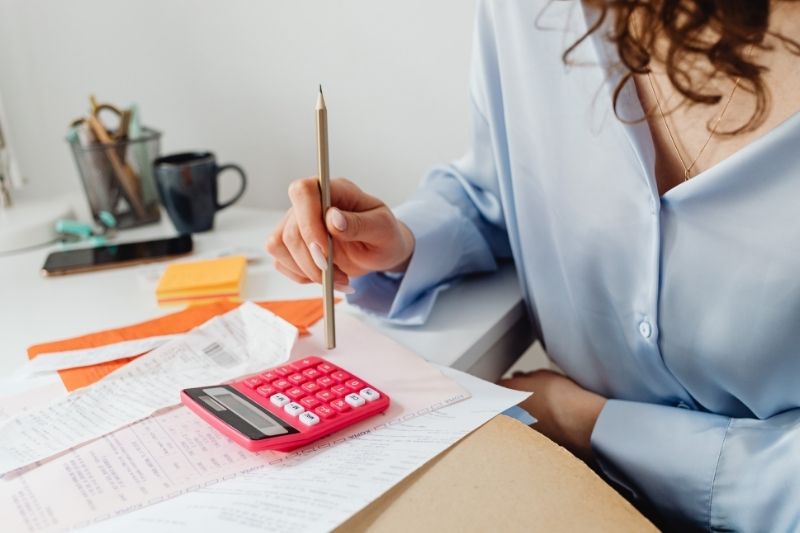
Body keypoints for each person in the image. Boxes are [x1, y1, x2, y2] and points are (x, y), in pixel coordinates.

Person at [266, 0, 800, 529]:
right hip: (569, 480)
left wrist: (590, 424)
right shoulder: (528, 14)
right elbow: (501, 191)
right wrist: (403, 241)